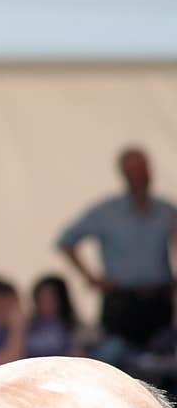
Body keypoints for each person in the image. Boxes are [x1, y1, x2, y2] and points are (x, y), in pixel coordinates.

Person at [58, 147, 177, 347]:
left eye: (142, 170)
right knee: (117, 360)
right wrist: (91, 278)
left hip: (159, 299)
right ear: (124, 175)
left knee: (160, 357)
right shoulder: (107, 212)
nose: (139, 177)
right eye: (133, 172)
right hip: (122, 301)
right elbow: (66, 241)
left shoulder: (166, 211)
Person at [26, 275, 78, 358]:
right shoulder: (28, 326)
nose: (45, 304)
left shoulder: (71, 326)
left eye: (49, 298)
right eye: (41, 298)